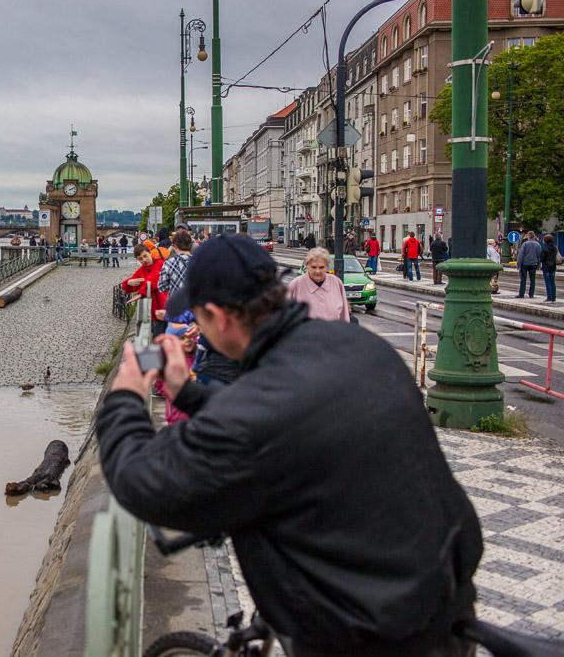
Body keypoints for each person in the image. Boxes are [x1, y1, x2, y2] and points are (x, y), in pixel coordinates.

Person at [96, 234, 483, 657]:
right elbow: (283, 422)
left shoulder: (258, 412)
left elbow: (138, 480)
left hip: (362, 638)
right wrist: (187, 393)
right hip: (448, 611)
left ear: (217, 317)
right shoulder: (361, 347)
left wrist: (125, 395)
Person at [287, 247, 351, 322]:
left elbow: (344, 316)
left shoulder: (337, 283)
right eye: (313, 267)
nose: (317, 271)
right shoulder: (295, 285)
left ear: (327, 267)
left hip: (333, 329)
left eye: (321, 267)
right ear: (307, 266)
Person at [121, 243, 168, 335]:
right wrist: (128, 283)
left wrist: (141, 293)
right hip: (154, 314)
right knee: (158, 338)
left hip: (166, 308)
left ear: (150, 253)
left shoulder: (161, 263)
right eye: (140, 259)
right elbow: (128, 286)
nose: (144, 260)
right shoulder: (142, 271)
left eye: (145, 256)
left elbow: (153, 279)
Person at [158, 230, 194, 297]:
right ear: (190, 244)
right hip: (193, 301)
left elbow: (161, 287)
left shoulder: (168, 263)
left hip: (174, 301)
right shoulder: (198, 262)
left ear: (174, 246)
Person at [516, 231, 542, 298]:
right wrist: (539, 265)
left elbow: (521, 255)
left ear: (528, 236)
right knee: (532, 280)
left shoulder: (525, 244)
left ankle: (521, 294)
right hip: (534, 264)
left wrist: (518, 264)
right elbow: (539, 256)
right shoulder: (538, 245)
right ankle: (531, 294)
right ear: (534, 236)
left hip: (525, 263)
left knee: (523, 280)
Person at [541, 234, 559, 303]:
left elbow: (542, 258)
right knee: (552, 282)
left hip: (546, 267)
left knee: (548, 282)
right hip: (553, 267)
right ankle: (553, 297)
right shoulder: (555, 248)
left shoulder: (545, 248)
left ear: (545, 240)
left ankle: (549, 297)